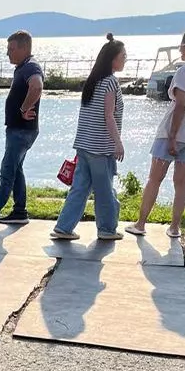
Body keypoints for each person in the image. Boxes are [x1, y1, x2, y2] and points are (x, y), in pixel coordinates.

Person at [126, 22, 185, 239]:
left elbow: (180, 105)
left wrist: (172, 137)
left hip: (175, 132)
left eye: (182, 46)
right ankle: (175, 227)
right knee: (181, 181)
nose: (180, 50)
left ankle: (141, 223)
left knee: (155, 178)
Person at [52, 34, 128, 242]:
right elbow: (108, 116)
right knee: (105, 191)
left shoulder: (93, 81)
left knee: (80, 188)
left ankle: (64, 227)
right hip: (100, 147)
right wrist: (118, 143)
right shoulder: (111, 82)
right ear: (112, 59)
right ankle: (107, 229)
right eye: (123, 56)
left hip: (84, 144)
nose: (125, 59)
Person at [0, 30, 43, 230]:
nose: (7, 53)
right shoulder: (23, 67)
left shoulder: (31, 66)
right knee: (17, 170)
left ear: (24, 48)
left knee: (7, 171)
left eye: (11, 49)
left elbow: (36, 86)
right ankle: (20, 211)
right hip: (20, 130)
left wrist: (24, 109)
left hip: (21, 131)